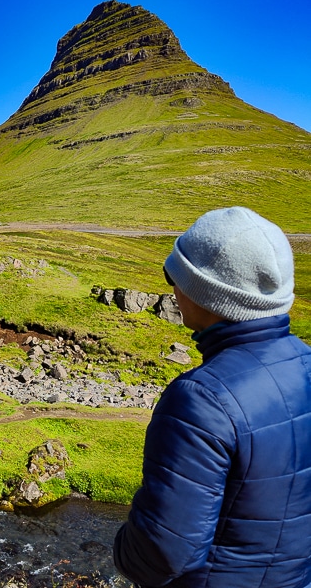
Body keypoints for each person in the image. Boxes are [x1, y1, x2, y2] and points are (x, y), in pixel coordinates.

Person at [114, 207, 311, 587]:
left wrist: (122, 544)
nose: (172, 288)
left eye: (176, 275)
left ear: (208, 293)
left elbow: (162, 552)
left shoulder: (201, 400)